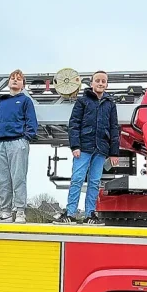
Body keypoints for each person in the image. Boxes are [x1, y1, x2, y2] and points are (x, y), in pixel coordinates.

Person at [53, 70, 120, 225]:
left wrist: (114, 152)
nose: (101, 83)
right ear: (91, 83)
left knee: (95, 182)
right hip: (83, 147)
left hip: (101, 148)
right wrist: (75, 145)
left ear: (107, 85)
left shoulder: (110, 105)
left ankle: (90, 214)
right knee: (77, 179)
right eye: (98, 80)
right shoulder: (82, 102)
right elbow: (74, 124)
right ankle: (70, 213)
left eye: (104, 81)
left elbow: (114, 128)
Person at [0, 69, 38, 223]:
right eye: (12, 78)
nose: (15, 80)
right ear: (8, 82)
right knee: (1, 179)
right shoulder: (1, 101)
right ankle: (5, 212)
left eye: (19, 79)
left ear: (23, 85)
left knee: (18, 178)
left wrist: (26, 138)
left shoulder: (25, 101)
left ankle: (20, 211)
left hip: (17, 142)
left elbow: (32, 121)